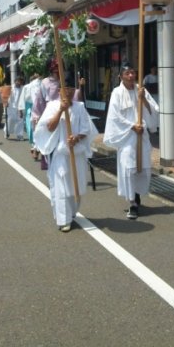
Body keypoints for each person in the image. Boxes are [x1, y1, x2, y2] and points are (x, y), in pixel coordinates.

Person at [34, 75, 98, 233]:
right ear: (59, 90)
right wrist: (61, 110)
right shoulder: (52, 106)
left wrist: (77, 138)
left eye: (71, 89)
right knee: (61, 187)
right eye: (65, 89)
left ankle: (72, 212)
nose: (68, 92)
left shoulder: (79, 106)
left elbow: (86, 128)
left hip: (76, 153)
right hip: (61, 153)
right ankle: (63, 220)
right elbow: (48, 127)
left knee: (75, 185)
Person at [103, 60, 159, 220]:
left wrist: (144, 100)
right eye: (127, 73)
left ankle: (138, 195)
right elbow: (115, 116)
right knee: (128, 167)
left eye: (133, 72)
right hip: (127, 136)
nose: (131, 75)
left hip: (142, 136)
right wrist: (132, 126)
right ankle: (132, 202)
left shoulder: (141, 90)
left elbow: (153, 110)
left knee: (142, 167)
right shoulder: (116, 93)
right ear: (121, 76)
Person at [5, 76, 25, 140]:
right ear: (15, 81)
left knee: (20, 120)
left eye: (20, 81)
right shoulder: (10, 88)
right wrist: (6, 102)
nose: (19, 83)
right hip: (11, 107)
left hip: (20, 107)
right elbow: (6, 96)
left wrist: (22, 107)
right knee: (10, 120)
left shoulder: (23, 88)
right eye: (17, 81)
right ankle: (7, 132)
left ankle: (19, 134)